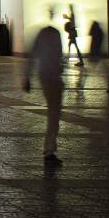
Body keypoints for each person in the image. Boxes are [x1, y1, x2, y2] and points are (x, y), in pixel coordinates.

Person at [24, 23, 65, 166]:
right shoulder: (55, 34)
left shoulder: (43, 35)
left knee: (53, 114)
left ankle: (50, 149)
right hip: (52, 77)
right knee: (54, 115)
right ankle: (49, 150)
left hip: (46, 76)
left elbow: (32, 56)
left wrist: (27, 77)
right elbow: (59, 57)